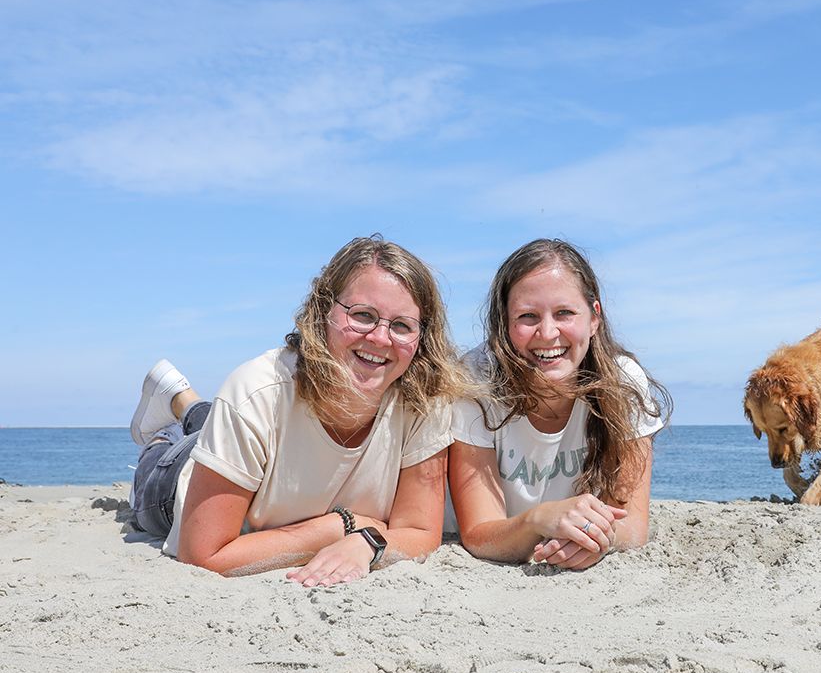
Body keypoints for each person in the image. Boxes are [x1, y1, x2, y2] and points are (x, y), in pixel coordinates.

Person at [128, 235, 470, 586]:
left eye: (401, 326)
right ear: (323, 311)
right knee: (162, 458)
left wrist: (366, 544)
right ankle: (167, 421)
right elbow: (204, 554)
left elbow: (418, 531)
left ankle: (184, 400)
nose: (381, 339)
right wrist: (339, 527)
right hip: (176, 484)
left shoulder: (424, 399)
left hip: (246, 450)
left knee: (217, 421)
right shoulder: (256, 391)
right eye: (364, 316)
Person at [447, 239, 671, 570]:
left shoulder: (623, 382)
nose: (548, 332)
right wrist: (541, 519)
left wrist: (596, 540)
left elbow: (633, 526)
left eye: (564, 312)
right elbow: (480, 535)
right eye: (527, 316)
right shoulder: (477, 379)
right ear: (504, 324)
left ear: (594, 318)